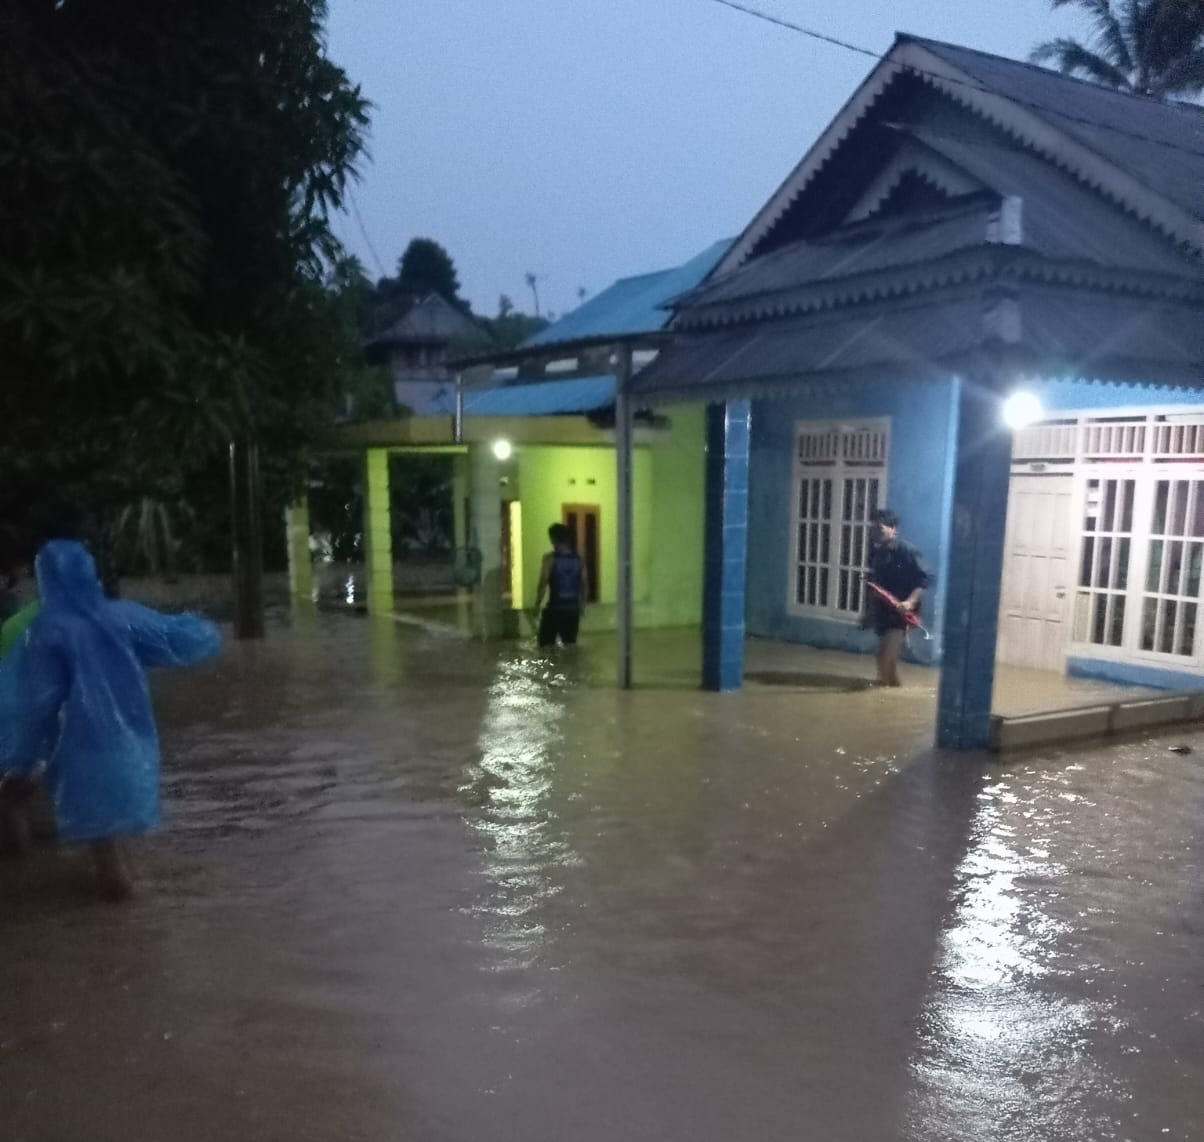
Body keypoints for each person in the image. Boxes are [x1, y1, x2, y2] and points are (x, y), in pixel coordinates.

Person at [0, 539, 221, 899]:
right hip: (133, 737)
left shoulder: (45, 631)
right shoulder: (123, 616)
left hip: (79, 744)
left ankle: (122, 925)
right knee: (120, 834)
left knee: (106, 848)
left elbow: (33, 705)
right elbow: (188, 639)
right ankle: (140, 913)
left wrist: (19, 757)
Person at [865, 508, 929, 688]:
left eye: (880, 528)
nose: (876, 532)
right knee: (889, 663)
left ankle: (880, 700)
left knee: (884, 658)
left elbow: (924, 579)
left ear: (894, 529)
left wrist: (910, 602)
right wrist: (869, 612)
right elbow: (876, 584)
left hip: (900, 612)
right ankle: (894, 690)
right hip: (882, 610)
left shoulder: (906, 550)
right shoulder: (877, 553)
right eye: (873, 528)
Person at [534, 523, 588, 649]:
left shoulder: (549, 559)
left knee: (545, 648)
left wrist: (537, 605)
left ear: (553, 539)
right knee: (570, 647)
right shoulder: (579, 560)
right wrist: (582, 606)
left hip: (554, 609)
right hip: (572, 610)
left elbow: (543, 583)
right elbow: (585, 586)